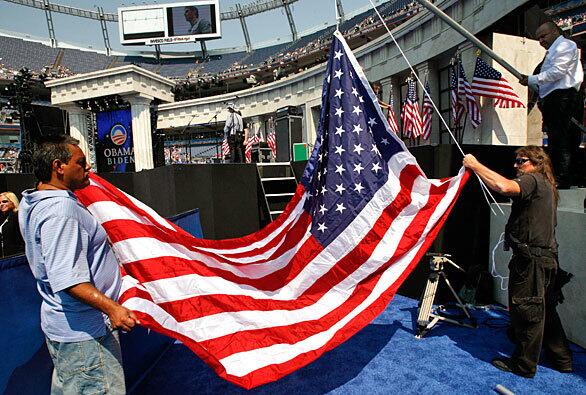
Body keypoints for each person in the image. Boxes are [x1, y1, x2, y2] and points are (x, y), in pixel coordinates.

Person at [19, 135, 138, 394]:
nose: (88, 168)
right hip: (87, 339)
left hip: (69, 331)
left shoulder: (34, 200)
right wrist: (112, 308)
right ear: (58, 166)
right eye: (81, 162)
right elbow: (68, 279)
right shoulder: (60, 212)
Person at [463, 146, 572, 378]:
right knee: (547, 311)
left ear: (536, 163)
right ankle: (562, 359)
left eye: (521, 161)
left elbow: (503, 186)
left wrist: (474, 165)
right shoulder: (547, 185)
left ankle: (524, 365)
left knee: (528, 312)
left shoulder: (533, 180)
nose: (516, 165)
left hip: (532, 261)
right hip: (546, 259)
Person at [519, 21, 584, 189]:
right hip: (554, 98)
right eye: (538, 38)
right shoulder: (551, 51)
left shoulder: (565, 46)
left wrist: (532, 79)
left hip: (564, 98)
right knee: (555, 139)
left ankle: (563, 178)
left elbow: (557, 72)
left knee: (562, 139)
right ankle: (560, 176)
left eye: (543, 36)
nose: (541, 41)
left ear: (555, 32)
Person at [0, 191, 24, 257]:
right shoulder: (3, 218)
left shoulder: (18, 216)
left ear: (13, 202)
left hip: (16, 257)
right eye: (0, 202)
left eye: (5, 201)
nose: (1, 204)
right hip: (5, 257)